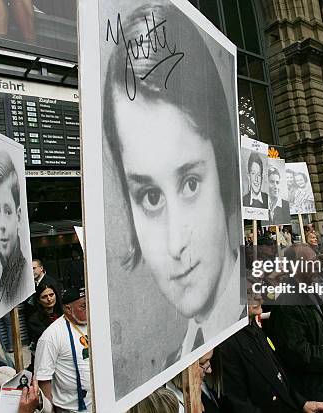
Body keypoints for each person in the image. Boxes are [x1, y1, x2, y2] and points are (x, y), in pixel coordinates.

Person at [103, 2, 244, 367]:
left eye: (191, 183)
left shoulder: (261, 328)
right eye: (150, 197)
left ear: (223, 165)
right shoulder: (173, 365)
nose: (175, 242)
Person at [219, 277, 323, 413]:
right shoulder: (226, 344)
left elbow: (278, 376)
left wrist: (302, 403)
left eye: (257, 291)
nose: (259, 298)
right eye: (249, 293)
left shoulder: (254, 329)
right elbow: (238, 404)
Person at [263, 245, 323, 403]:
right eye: (310, 262)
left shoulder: (310, 291)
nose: (316, 265)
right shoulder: (287, 304)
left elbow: (320, 331)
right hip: (310, 394)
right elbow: (298, 353)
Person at [35, 287, 92, 412]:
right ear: (68, 309)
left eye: (89, 303)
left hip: (98, 404)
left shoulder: (94, 323)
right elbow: (43, 379)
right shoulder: (51, 336)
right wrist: (50, 410)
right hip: (70, 409)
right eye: (83, 306)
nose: (89, 309)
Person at [0, 150, 28, 305]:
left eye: (8, 211)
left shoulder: (24, 275)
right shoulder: (1, 270)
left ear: (18, 216)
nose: (2, 225)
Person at [27, 282, 63, 371]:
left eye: (51, 295)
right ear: (38, 300)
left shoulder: (64, 314)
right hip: (45, 360)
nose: (49, 299)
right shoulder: (34, 320)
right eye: (44, 296)